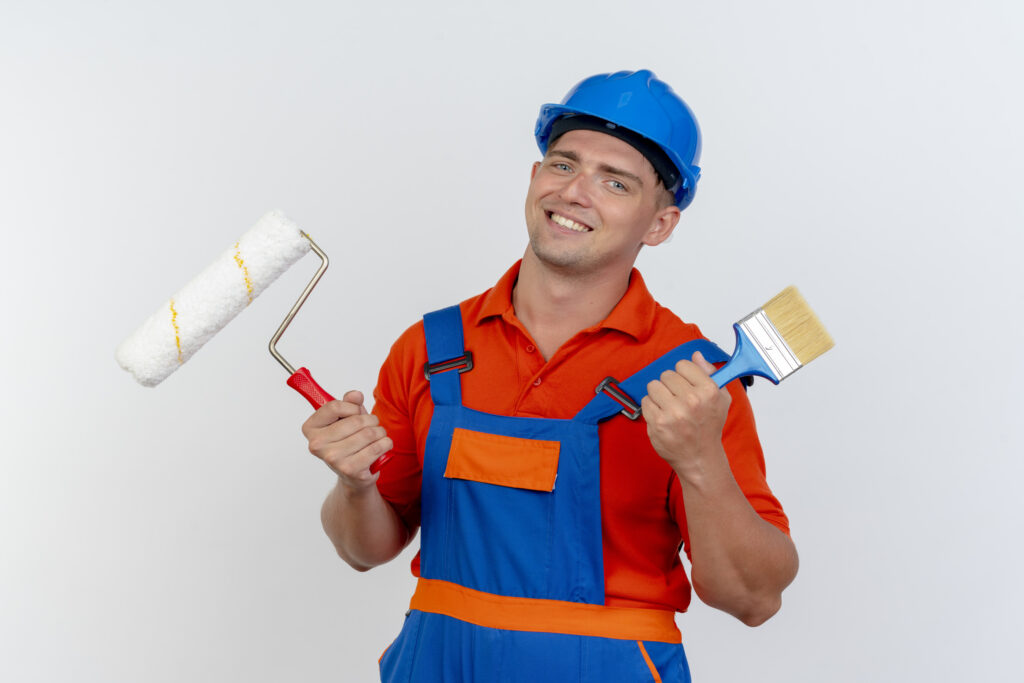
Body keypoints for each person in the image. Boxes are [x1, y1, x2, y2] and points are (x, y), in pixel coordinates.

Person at [302, 69, 799, 682]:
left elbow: (754, 599)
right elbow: (364, 550)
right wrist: (353, 485)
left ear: (659, 224)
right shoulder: (431, 349)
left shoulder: (695, 381)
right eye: (564, 165)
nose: (575, 192)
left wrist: (700, 461)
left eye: (615, 182)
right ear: (535, 177)